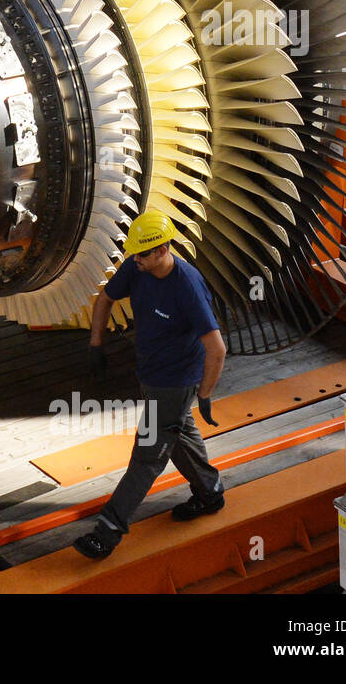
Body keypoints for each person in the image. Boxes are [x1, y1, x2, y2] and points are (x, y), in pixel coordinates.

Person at [73, 208, 228, 560]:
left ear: (162, 250)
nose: (135, 260)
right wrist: (95, 344)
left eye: (142, 253)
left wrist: (204, 394)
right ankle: (210, 492)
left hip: (176, 382)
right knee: (178, 436)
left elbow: (217, 349)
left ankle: (108, 532)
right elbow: (105, 299)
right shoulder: (137, 267)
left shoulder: (187, 286)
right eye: (134, 253)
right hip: (151, 376)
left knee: (147, 457)